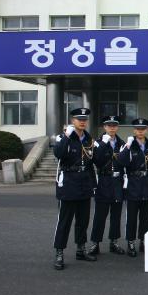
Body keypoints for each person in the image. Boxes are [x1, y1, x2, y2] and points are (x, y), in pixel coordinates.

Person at [53, 108, 97, 270]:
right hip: (69, 184)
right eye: (79, 119)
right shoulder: (64, 137)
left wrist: (94, 185)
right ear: (73, 120)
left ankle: (81, 249)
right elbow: (58, 153)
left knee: (83, 221)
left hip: (84, 184)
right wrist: (66, 136)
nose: (82, 121)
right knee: (64, 221)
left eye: (84, 119)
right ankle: (59, 252)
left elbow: (91, 164)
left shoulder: (88, 140)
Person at [118, 118, 148, 257]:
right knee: (131, 217)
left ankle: (143, 240)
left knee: (145, 217)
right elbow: (122, 162)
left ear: (147, 130)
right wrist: (128, 146)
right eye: (138, 129)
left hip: (147, 184)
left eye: (143, 129)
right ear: (134, 130)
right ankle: (130, 241)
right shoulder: (128, 145)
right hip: (133, 184)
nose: (140, 131)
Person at [88, 116, 126, 256]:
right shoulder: (98, 143)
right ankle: (95, 243)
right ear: (104, 127)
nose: (112, 127)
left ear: (117, 127)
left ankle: (114, 242)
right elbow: (96, 161)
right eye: (109, 125)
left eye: (114, 125)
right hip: (104, 180)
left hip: (117, 181)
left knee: (116, 215)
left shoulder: (121, 143)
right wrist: (104, 145)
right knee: (100, 215)